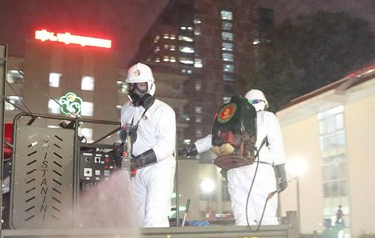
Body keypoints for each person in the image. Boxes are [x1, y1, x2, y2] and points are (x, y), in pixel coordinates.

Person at [181, 89, 287, 226]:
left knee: (243, 218)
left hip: (234, 170)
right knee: (266, 216)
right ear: (263, 103)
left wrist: (191, 150)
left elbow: (211, 139)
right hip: (258, 168)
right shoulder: (267, 116)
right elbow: (276, 146)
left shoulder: (232, 120)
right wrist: (282, 174)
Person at [119, 63, 176, 228]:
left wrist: (139, 161)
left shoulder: (163, 111)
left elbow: (166, 146)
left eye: (141, 85)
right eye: (132, 86)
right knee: (139, 218)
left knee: (154, 217)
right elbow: (127, 138)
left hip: (159, 168)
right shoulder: (126, 110)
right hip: (137, 170)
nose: (136, 90)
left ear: (150, 86)